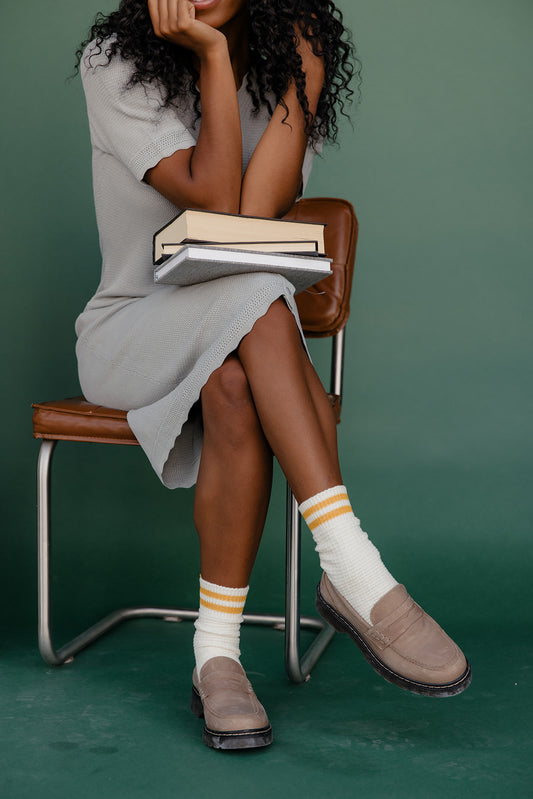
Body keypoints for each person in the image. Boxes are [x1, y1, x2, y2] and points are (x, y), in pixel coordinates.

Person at [75, 0, 471, 751]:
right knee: (259, 294)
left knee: (233, 376)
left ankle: (215, 656)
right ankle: (352, 566)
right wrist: (214, 61)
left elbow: (249, 224)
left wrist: (301, 83)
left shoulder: (286, 63)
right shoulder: (114, 63)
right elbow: (218, 202)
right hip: (130, 329)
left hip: (236, 333)